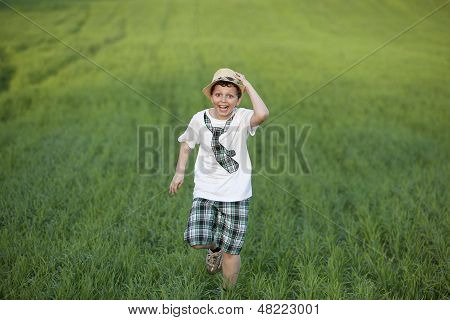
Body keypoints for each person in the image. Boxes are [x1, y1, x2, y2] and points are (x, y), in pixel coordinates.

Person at [168, 68, 269, 290]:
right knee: (195, 240)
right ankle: (215, 249)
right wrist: (179, 172)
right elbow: (186, 144)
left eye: (230, 95)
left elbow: (262, 114)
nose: (224, 100)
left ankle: (228, 297)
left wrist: (247, 83)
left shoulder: (242, 117)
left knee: (233, 251)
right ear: (212, 96)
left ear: (238, 99)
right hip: (206, 191)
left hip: (237, 194)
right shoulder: (199, 119)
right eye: (219, 94)